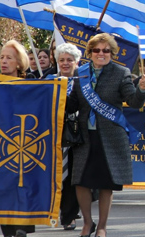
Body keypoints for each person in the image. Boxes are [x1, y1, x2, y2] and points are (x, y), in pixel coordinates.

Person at [66, 33, 145, 237]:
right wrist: (58, 94)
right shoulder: (81, 72)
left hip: (111, 136)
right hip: (84, 137)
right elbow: (73, 105)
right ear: (90, 53)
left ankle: (102, 227)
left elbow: (134, 102)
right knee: (80, 181)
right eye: (96, 50)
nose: (101, 54)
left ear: (112, 53)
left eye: (106, 50)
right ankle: (87, 223)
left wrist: (142, 90)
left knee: (106, 183)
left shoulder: (121, 72)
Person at [0, 40, 35, 237]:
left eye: (9, 58)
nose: (4, 61)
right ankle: (8, 231)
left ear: (19, 63)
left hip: (24, 146)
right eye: (2, 57)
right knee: (4, 189)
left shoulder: (31, 86)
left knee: (22, 186)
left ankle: (22, 227)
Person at [54, 43, 82, 231]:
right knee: (58, 176)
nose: (65, 64)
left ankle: (69, 215)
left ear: (76, 62)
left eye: (69, 60)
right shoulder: (49, 81)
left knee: (73, 177)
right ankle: (58, 211)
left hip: (78, 136)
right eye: (62, 60)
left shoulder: (84, 82)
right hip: (54, 135)